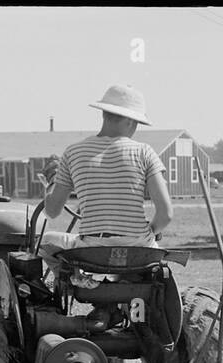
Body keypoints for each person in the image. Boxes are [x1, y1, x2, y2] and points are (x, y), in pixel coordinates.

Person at [43, 84, 174, 248]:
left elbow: (52, 211)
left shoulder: (73, 152)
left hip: (91, 247)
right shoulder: (144, 152)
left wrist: (52, 182)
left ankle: (69, 274)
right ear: (130, 121)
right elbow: (166, 214)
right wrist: (148, 233)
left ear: (103, 114)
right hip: (138, 246)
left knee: (46, 240)